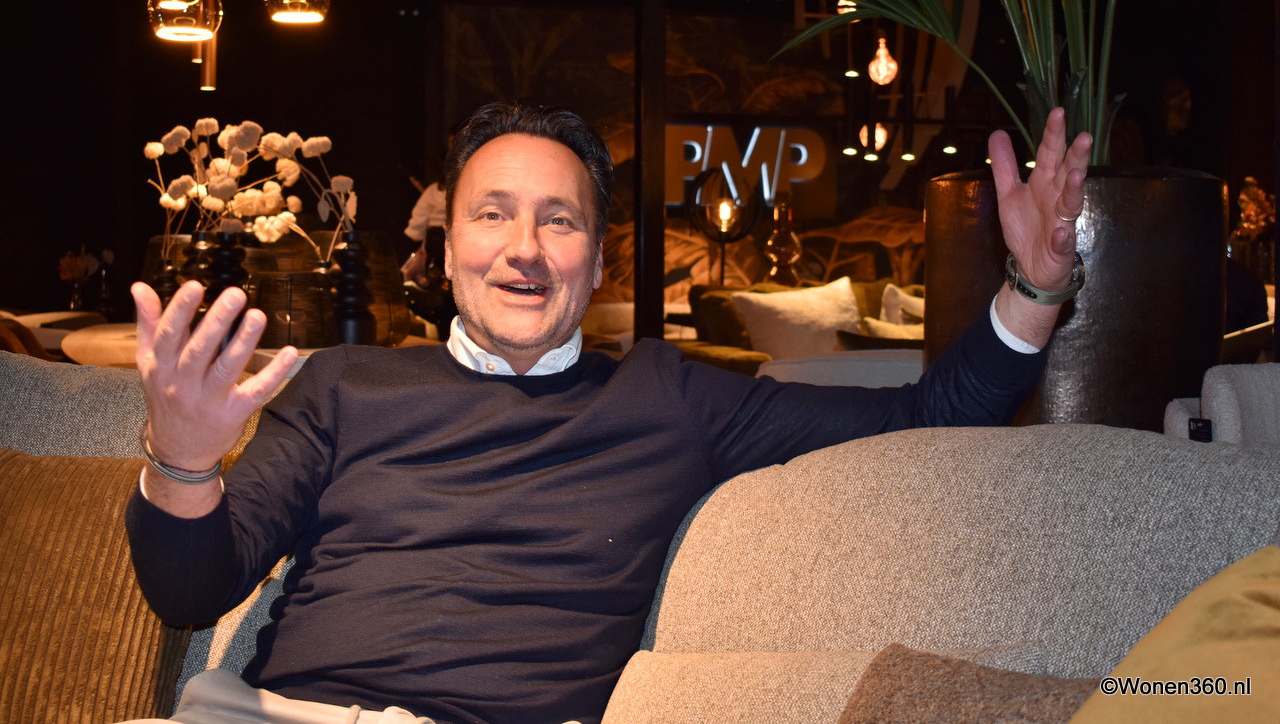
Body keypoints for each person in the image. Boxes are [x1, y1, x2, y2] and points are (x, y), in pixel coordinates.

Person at [123, 101, 1090, 724]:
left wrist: (1035, 287)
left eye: (560, 219)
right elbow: (191, 592)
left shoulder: (667, 398)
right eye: (492, 214)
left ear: (595, 261)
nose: (525, 248)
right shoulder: (340, 386)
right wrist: (184, 461)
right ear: (447, 248)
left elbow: (927, 416)